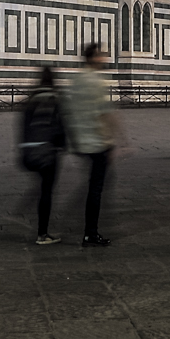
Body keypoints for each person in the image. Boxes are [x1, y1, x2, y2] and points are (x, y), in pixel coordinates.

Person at [61, 43, 122, 247]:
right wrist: (113, 142)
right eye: (102, 55)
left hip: (81, 142)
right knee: (97, 188)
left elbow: (68, 110)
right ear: (93, 58)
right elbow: (105, 113)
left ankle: (86, 224)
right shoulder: (97, 82)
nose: (105, 58)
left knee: (93, 185)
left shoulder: (76, 80)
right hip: (97, 142)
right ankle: (90, 233)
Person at [18, 66, 67, 244]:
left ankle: (24, 209)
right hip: (46, 153)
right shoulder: (55, 99)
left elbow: (23, 127)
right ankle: (42, 234)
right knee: (46, 191)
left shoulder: (30, 100)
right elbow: (60, 126)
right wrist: (63, 145)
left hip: (29, 152)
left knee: (41, 187)